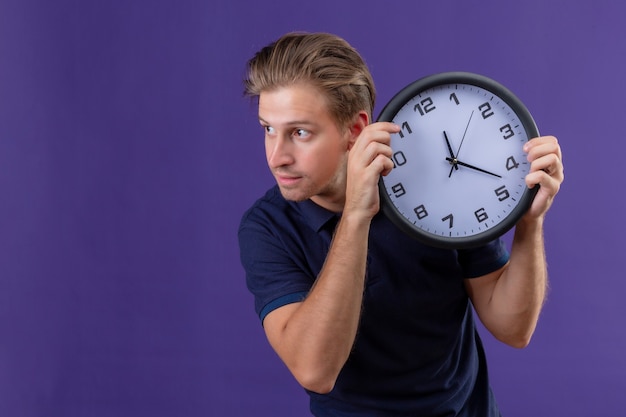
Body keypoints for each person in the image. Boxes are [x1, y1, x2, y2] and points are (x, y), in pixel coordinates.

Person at [238, 32, 564, 416]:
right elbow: (315, 370)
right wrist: (357, 215)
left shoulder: (439, 188)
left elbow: (513, 329)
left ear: (356, 129)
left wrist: (529, 220)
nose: (277, 156)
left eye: (300, 132)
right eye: (268, 129)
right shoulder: (268, 227)